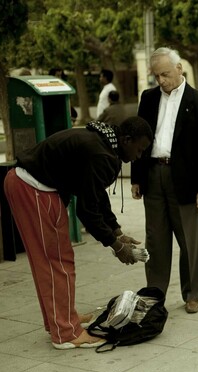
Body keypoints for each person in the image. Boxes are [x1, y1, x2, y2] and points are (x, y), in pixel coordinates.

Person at [3, 117, 152, 350]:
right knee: (56, 263)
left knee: (55, 261)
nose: (139, 156)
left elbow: (95, 194)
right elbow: (87, 210)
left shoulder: (105, 142)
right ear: (126, 140)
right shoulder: (102, 154)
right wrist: (115, 245)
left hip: (33, 186)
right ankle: (65, 333)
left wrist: (116, 231)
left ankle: (62, 319)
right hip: (34, 189)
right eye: (139, 149)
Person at [131, 47, 198, 314]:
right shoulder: (148, 98)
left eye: (165, 74)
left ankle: (192, 293)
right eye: (157, 76)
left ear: (179, 69)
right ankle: (155, 292)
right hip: (153, 174)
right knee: (155, 239)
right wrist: (136, 177)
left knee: (189, 240)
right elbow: (137, 138)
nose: (161, 80)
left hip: (185, 179)